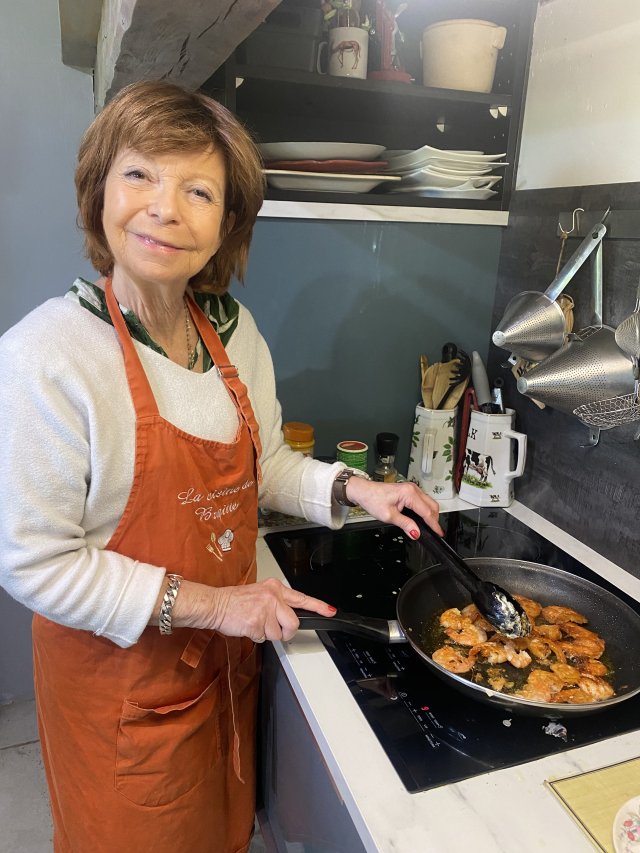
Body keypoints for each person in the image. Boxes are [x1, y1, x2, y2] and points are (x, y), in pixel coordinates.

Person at [0, 81, 442, 853]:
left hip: (220, 672)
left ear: (227, 222)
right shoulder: (49, 356)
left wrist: (356, 487)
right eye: (139, 174)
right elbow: (33, 561)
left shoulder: (233, 333)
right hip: (120, 693)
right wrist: (218, 604)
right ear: (99, 187)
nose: (166, 207)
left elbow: (262, 461)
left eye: (198, 189)